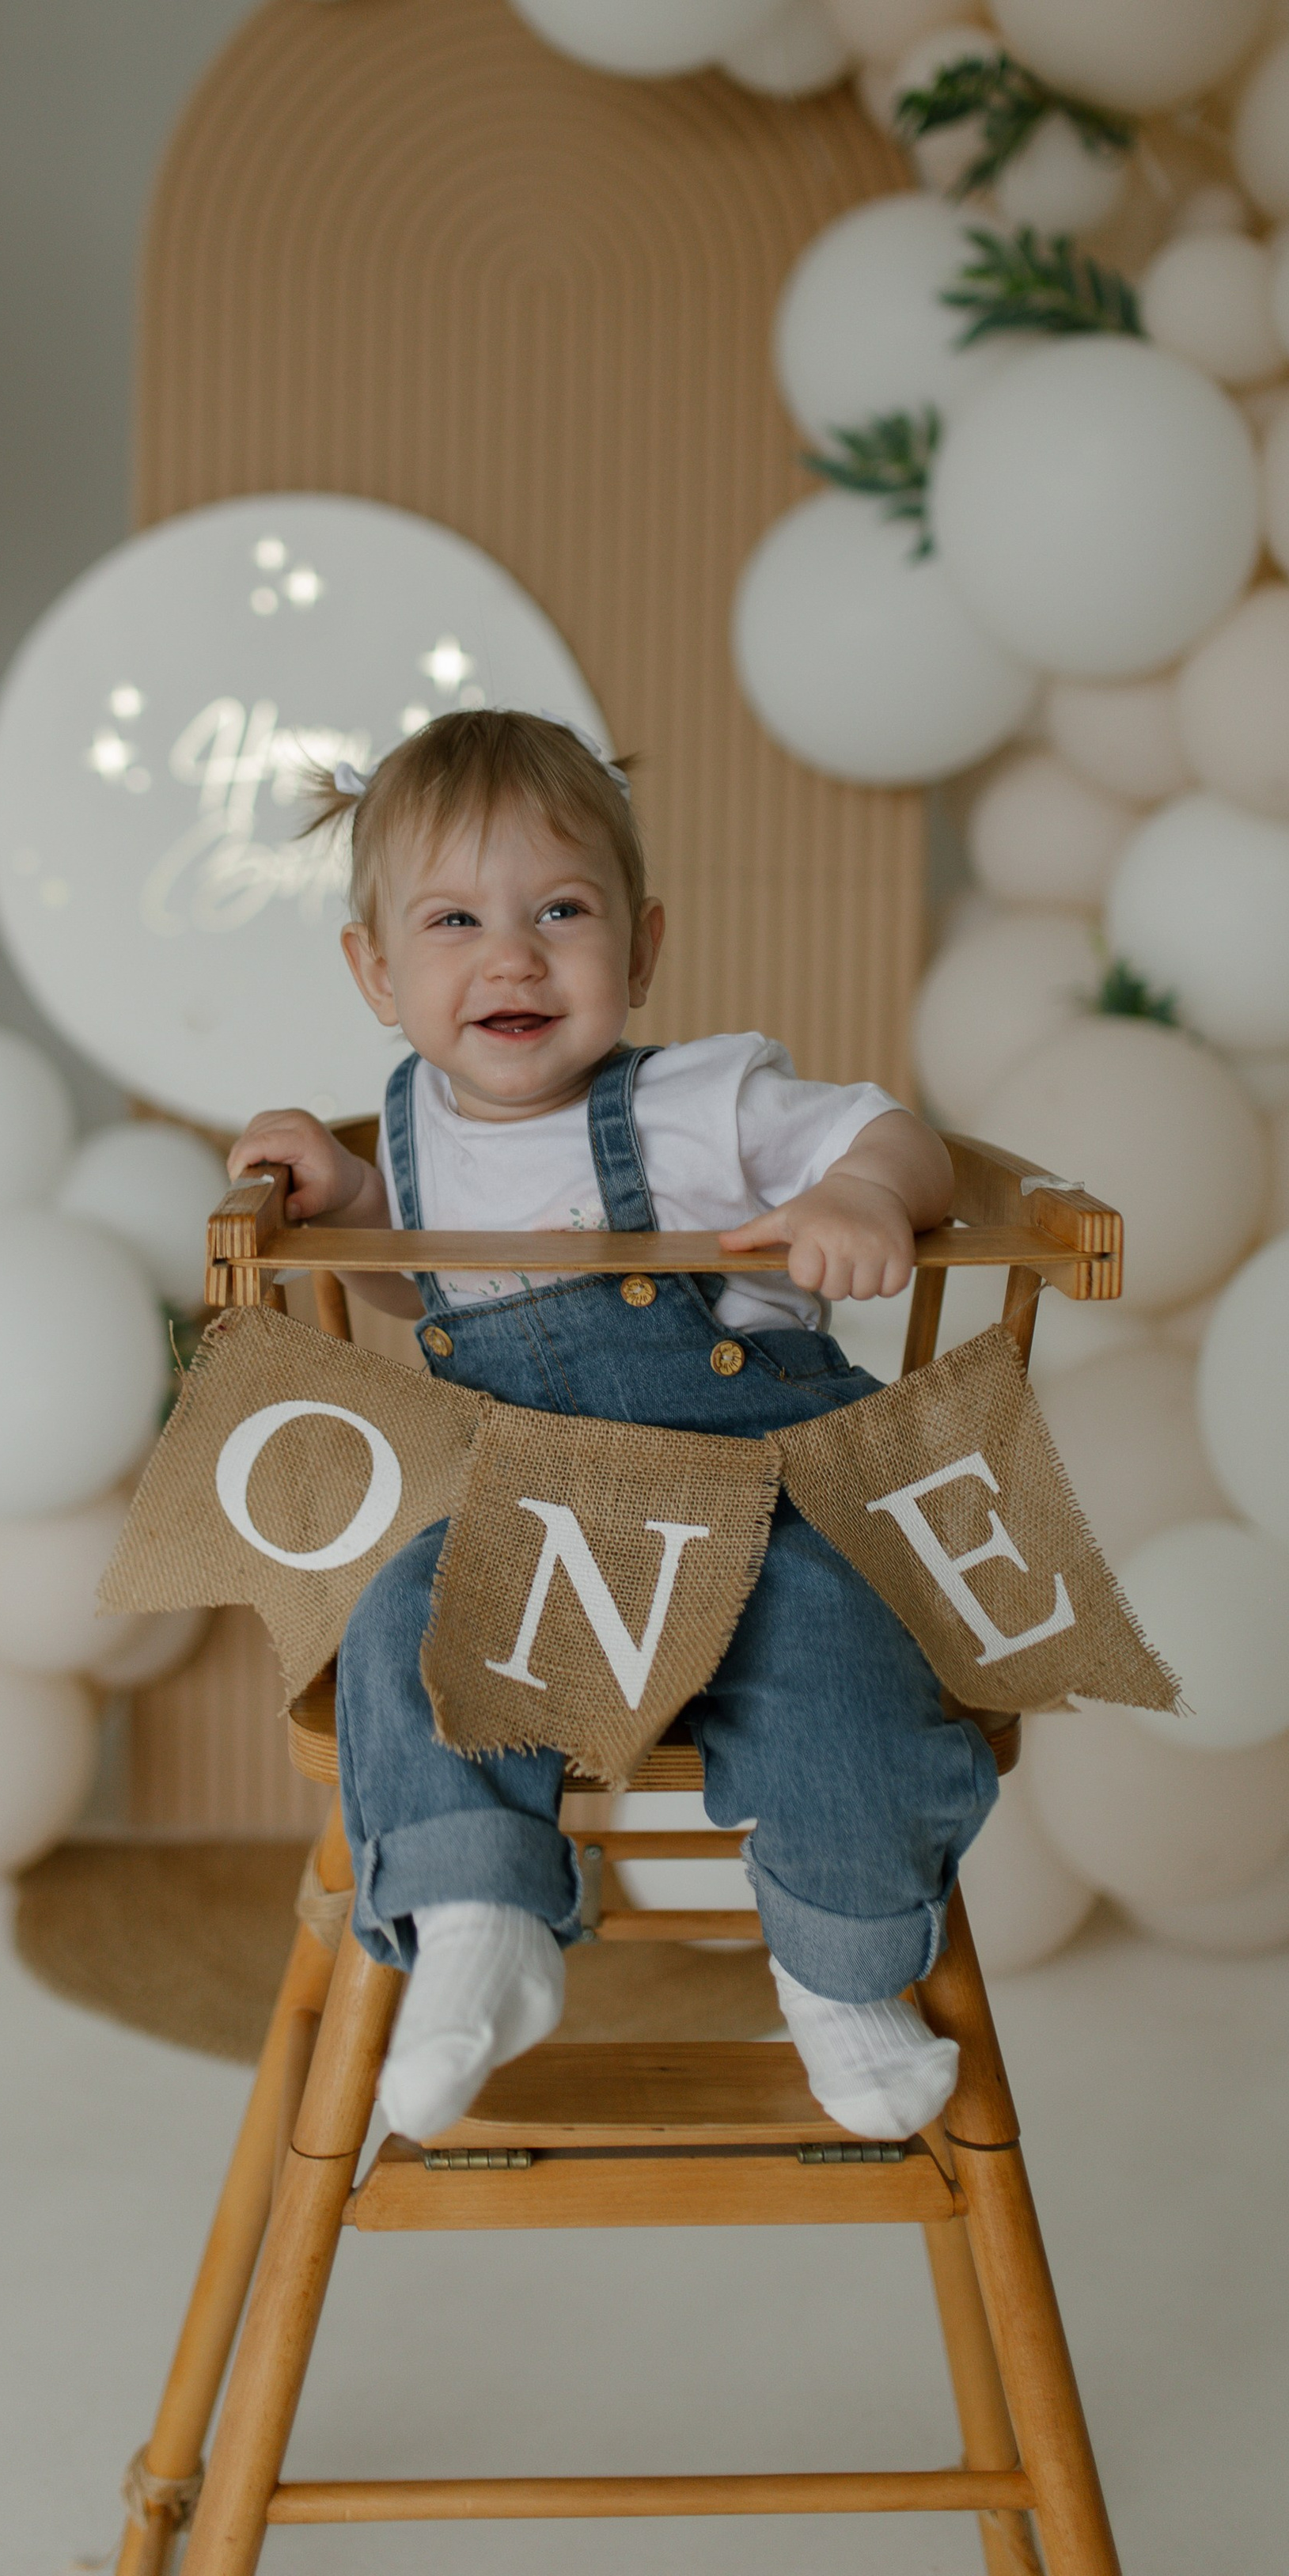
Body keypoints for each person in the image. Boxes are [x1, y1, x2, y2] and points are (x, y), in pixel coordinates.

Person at [229, 708, 997, 2146]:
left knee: (850, 1655)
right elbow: (432, 1294)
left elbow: (897, 1134)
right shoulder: (409, 1132)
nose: (512, 956)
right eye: (455, 920)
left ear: (639, 951)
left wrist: (868, 1195)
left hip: (761, 1526)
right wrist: (343, 1209)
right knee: (404, 1617)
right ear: (377, 973)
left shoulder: (706, 1104)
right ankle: (478, 1920)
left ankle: (836, 1971)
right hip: (538, 1549)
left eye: (560, 912)